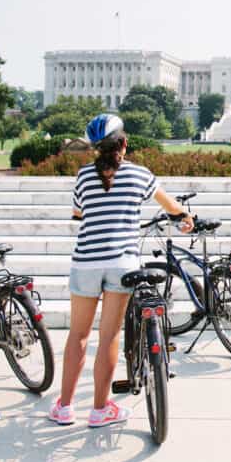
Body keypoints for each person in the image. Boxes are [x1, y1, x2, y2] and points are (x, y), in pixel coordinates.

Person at [48, 114, 193, 427]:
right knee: (109, 335)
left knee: (78, 336)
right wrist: (186, 216)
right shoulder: (139, 175)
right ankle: (100, 409)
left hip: (86, 260)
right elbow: (170, 206)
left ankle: (64, 407)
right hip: (122, 262)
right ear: (124, 143)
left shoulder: (84, 176)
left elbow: (78, 212)